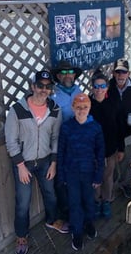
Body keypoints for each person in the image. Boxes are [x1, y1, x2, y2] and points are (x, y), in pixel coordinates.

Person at [5, 70, 69, 254]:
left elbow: (56, 137)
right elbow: (11, 140)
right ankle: (21, 235)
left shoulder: (55, 109)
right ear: (32, 87)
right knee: (23, 202)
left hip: (45, 161)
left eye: (48, 87)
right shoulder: (17, 109)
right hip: (23, 164)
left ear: (51, 89)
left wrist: (54, 163)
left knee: (50, 193)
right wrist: (20, 166)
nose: (43, 89)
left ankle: (52, 220)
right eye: (40, 85)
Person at [57, 93, 105, 251]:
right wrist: (62, 175)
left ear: (89, 108)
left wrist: (98, 175)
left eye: (85, 107)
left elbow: (100, 153)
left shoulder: (96, 127)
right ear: (73, 108)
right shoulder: (66, 127)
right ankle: (77, 232)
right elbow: (61, 152)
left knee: (89, 201)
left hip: (89, 172)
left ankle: (89, 223)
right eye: (78, 107)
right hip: (71, 173)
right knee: (74, 203)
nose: (81, 110)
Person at [108, 58, 131, 199]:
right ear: (113, 73)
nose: (120, 76)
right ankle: (111, 187)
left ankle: (125, 185)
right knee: (111, 162)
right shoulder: (108, 87)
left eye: (123, 72)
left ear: (129, 73)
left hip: (128, 131)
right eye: (118, 72)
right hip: (112, 132)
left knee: (128, 161)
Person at [50, 60, 82, 222]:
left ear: (75, 75)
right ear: (57, 76)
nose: (67, 75)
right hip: (60, 146)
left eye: (70, 72)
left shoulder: (79, 91)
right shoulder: (52, 95)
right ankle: (66, 214)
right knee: (61, 182)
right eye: (63, 73)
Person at [89, 69, 123, 219]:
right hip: (93, 150)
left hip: (110, 148)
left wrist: (121, 148)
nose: (99, 90)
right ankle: (96, 201)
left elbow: (120, 126)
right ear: (92, 88)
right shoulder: (87, 105)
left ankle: (106, 201)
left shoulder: (114, 103)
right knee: (95, 177)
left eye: (103, 86)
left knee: (108, 176)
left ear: (107, 88)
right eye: (96, 86)